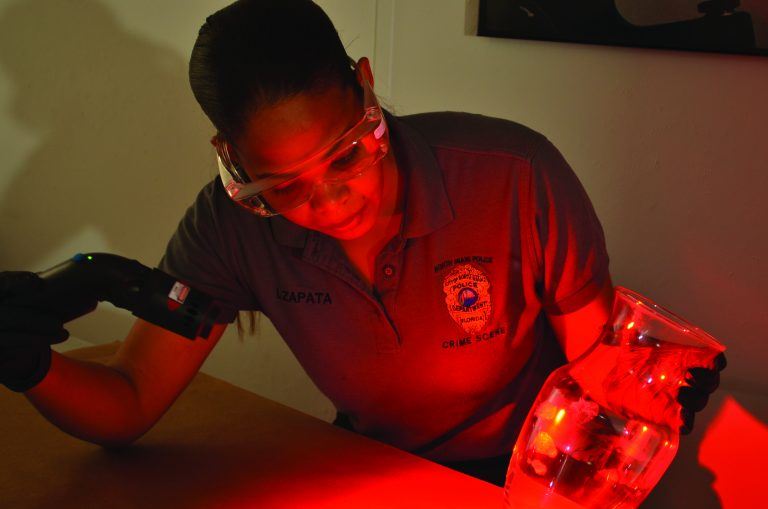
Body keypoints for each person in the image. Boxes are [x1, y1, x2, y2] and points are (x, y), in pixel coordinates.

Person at [0, 0, 724, 487]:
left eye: (348, 154)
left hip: (524, 476)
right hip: (367, 469)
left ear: (366, 88)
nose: (330, 200)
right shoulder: (231, 227)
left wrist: (644, 395)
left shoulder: (515, 179)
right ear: (231, 158)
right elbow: (128, 402)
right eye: (283, 185)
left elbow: (600, 375)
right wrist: (34, 365)